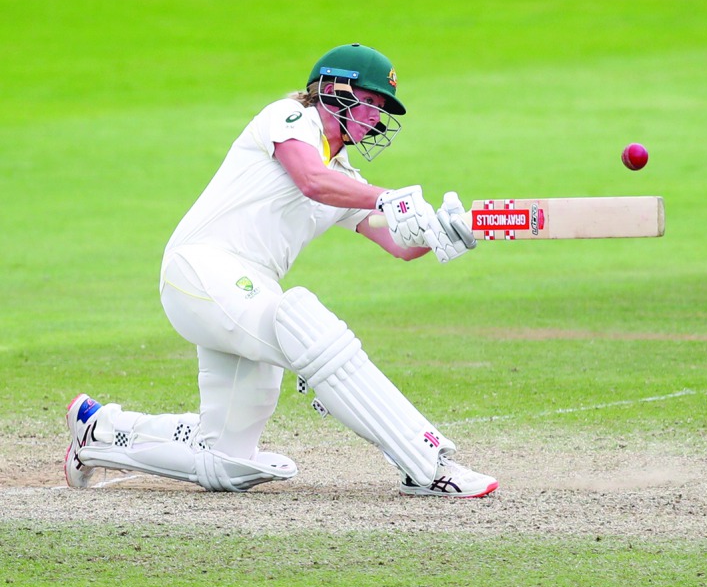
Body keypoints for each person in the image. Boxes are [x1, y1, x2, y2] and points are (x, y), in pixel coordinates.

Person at [64, 43, 498, 496]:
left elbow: (396, 244)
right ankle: (428, 465)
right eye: (369, 102)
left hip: (242, 291)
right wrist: (388, 197)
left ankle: (96, 431)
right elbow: (311, 179)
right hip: (202, 269)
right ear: (333, 90)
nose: (375, 117)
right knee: (308, 329)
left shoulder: (346, 176)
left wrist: (448, 231)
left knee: (227, 463)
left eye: (382, 109)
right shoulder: (289, 118)